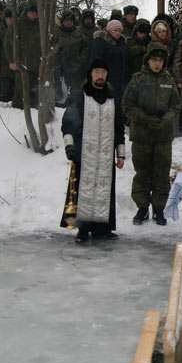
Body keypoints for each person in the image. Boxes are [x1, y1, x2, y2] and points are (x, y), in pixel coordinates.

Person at [61, 57, 125, 244]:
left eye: (103, 72)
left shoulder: (113, 99)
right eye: (96, 72)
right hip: (84, 154)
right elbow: (67, 123)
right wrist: (70, 147)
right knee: (83, 191)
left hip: (105, 155)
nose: (100, 76)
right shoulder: (80, 96)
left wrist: (120, 153)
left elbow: (119, 127)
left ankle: (102, 229)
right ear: (90, 74)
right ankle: (82, 229)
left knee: (105, 191)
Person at [122, 41, 181, 226]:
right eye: (154, 59)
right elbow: (127, 105)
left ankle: (159, 209)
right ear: (148, 60)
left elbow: (175, 106)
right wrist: (145, 119)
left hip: (163, 136)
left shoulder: (169, 81)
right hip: (142, 134)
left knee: (162, 173)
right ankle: (142, 208)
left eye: (160, 60)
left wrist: (166, 120)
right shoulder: (137, 80)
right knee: (142, 172)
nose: (157, 63)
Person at [5, 0, 41, 108]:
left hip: (37, 64)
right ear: (27, 10)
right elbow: (8, 43)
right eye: (32, 11)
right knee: (20, 91)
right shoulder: (17, 24)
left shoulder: (40, 24)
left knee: (35, 92)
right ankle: (17, 110)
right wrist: (11, 61)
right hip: (22, 63)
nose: (34, 14)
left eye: (36, 12)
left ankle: (33, 109)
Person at [52, 8, 88, 106]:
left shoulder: (79, 33)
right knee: (59, 91)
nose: (69, 22)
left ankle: (73, 106)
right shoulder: (56, 33)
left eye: (71, 20)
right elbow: (52, 49)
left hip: (75, 68)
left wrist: (81, 60)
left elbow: (85, 48)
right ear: (63, 21)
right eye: (67, 20)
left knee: (75, 92)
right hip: (60, 68)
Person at [90, 18, 131, 104]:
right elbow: (96, 61)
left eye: (120, 31)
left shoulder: (122, 44)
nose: (118, 33)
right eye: (115, 30)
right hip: (108, 81)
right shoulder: (101, 42)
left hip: (122, 82)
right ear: (109, 30)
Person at [0, 7, 15, 104]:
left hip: (17, 66)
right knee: (5, 91)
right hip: (3, 67)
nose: (11, 20)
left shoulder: (18, 31)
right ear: (5, 19)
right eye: (9, 18)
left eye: (12, 17)